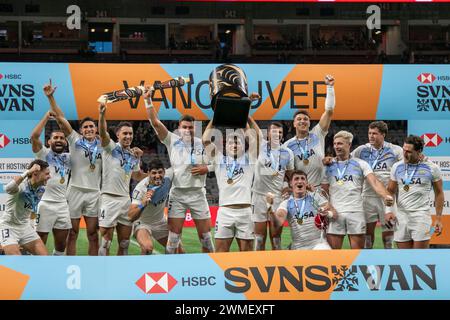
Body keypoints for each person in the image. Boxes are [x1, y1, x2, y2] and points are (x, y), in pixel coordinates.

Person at [143, 88, 214, 254]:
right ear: (179, 128)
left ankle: (210, 268)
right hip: (177, 194)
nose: (188, 130)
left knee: (207, 239)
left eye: (191, 127)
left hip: (198, 194)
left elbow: (219, 164)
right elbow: (155, 122)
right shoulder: (171, 140)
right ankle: (171, 269)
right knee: (173, 239)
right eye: (184, 127)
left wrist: (207, 168)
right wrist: (148, 100)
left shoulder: (202, 143)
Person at [43, 79, 101, 256]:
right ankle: (71, 264)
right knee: (73, 233)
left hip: (93, 192)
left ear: (96, 128)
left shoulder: (104, 144)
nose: (89, 129)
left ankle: (93, 266)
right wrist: (51, 98)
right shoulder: (75, 140)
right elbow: (60, 118)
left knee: (93, 234)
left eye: (92, 126)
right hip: (74, 190)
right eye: (85, 127)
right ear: (81, 130)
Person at [322, 131, 394, 249]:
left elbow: (374, 182)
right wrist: (327, 207)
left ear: (349, 145)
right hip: (334, 213)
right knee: (333, 255)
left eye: (340, 144)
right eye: (335, 144)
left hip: (355, 212)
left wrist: (386, 196)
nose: (336, 146)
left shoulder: (361, 163)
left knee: (358, 255)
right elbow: (324, 191)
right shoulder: (327, 165)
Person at [202, 115, 260, 252]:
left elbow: (256, 138)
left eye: (237, 142)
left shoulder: (250, 158)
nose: (234, 145)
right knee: (221, 254)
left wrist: (246, 116)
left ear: (243, 145)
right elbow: (205, 140)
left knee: (247, 257)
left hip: (245, 212)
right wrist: (215, 118)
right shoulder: (218, 158)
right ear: (225, 146)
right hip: (225, 212)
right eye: (230, 142)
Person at [97, 102, 145, 256]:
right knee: (105, 242)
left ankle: (120, 273)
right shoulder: (110, 148)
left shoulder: (133, 154)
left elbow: (137, 176)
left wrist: (152, 175)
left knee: (124, 243)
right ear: (118, 135)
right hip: (108, 199)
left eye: (130, 134)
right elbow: (103, 133)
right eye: (125, 133)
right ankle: (103, 272)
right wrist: (102, 114)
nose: (128, 136)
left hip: (126, 201)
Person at [351, 121, 403, 249]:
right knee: (368, 235)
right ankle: (368, 258)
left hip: (387, 197)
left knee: (388, 234)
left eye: (375, 133)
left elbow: (406, 164)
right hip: (367, 197)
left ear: (383, 134)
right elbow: (346, 160)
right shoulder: (361, 150)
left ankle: (388, 257)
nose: (371, 136)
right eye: (369, 133)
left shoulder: (395, 150)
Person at [386, 135, 444, 249]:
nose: (405, 154)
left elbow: (439, 193)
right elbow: (390, 191)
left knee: (419, 258)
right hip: (401, 217)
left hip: (421, 216)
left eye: (409, 151)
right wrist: (389, 210)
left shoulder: (432, 168)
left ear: (419, 151)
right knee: (405, 258)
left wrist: (438, 219)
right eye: (404, 150)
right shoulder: (396, 167)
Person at [283, 75, 335, 188]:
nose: (303, 121)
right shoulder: (287, 146)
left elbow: (329, 111)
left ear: (310, 123)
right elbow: (286, 172)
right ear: (294, 124)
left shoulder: (317, 134)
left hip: (321, 188)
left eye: (306, 119)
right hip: (300, 190)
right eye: (299, 119)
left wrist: (330, 88)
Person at [30, 111, 72, 255]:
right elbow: (34, 137)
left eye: (62, 138)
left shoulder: (69, 158)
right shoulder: (44, 153)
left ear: (66, 142)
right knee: (40, 240)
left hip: (62, 205)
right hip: (45, 204)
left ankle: (56, 267)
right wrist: (46, 117)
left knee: (61, 244)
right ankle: (38, 269)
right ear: (49, 141)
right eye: (55, 138)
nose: (59, 140)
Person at [252, 122, 294, 250]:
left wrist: (287, 186)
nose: (277, 134)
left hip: (277, 197)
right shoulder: (260, 146)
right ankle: (259, 265)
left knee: (276, 238)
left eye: (280, 132)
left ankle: (277, 264)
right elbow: (255, 128)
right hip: (259, 196)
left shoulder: (288, 152)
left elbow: (290, 175)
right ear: (268, 134)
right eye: (274, 131)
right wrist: (247, 109)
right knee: (259, 238)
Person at [128, 159, 184, 254]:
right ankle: (144, 269)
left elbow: (182, 165)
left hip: (160, 222)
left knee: (179, 251)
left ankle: (169, 268)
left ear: (164, 172)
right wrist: (143, 204)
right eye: (154, 173)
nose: (157, 176)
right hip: (142, 223)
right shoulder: (140, 189)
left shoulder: (168, 176)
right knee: (147, 248)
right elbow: (130, 216)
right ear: (148, 173)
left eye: (160, 172)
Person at [268, 170, 336, 250]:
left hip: (318, 245)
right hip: (298, 247)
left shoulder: (315, 197)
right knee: (281, 261)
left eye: (303, 179)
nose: (300, 181)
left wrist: (327, 213)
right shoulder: (286, 203)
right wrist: (270, 209)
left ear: (306, 183)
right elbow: (277, 223)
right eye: (296, 179)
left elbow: (334, 214)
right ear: (291, 184)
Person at [0, 160, 50, 255]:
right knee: (15, 260)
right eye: (47, 174)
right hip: (9, 227)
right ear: (35, 173)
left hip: (24, 227)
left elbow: (33, 208)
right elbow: (8, 188)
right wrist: (28, 172)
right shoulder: (22, 186)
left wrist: (32, 225)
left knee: (45, 257)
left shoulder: (41, 189)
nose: (49, 177)